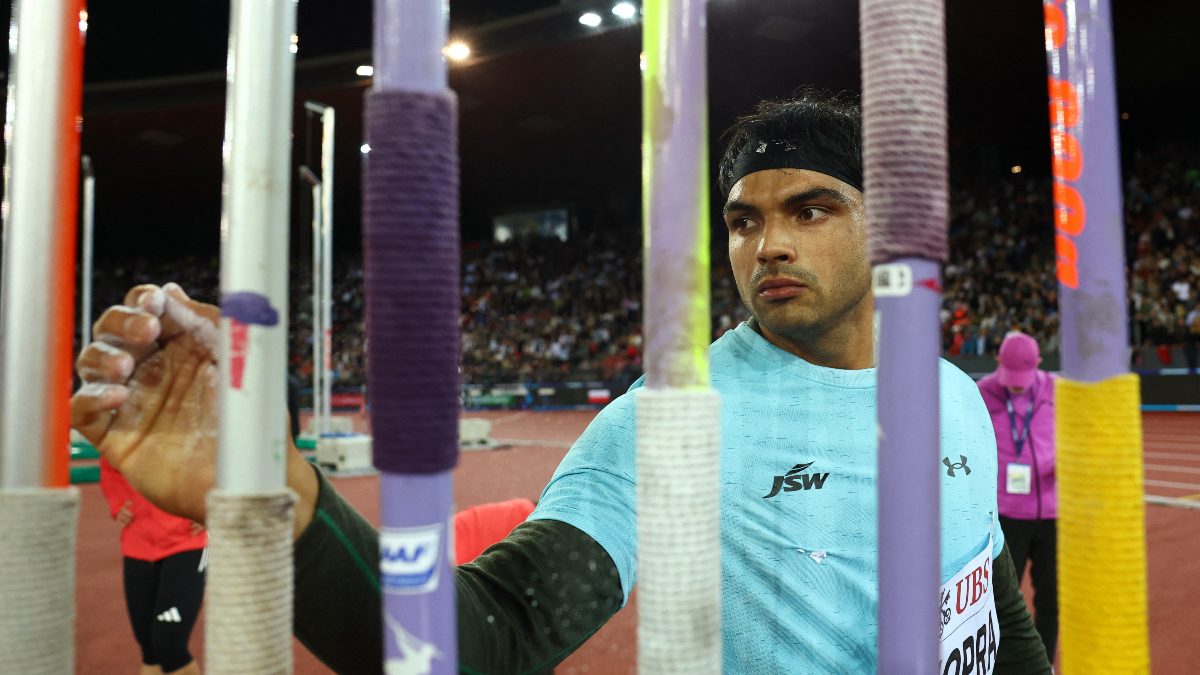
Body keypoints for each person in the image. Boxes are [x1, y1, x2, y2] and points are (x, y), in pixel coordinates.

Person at [70, 90, 1052, 673]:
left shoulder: (950, 394)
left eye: (811, 209)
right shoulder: (675, 420)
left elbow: (990, 603)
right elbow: (491, 633)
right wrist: (280, 502)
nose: (768, 245)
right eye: (744, 220)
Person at [977, 331, 1058, 660]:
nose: (1017, 387)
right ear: (998, 361)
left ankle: (1045, 663)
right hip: (1006, 515)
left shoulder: (1055, 390)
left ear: (1039, 364)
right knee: (1000, 600)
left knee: (1051, 598)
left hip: (1052, 513)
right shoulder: (982, 392)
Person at [99, 458, 207, 675]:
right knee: (149, 647)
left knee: (169, 644)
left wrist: (207, 503)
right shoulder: (125, 436)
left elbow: (217, 461)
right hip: (137, 542)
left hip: (189, 543)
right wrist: (118, 502)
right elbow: (109, 463)